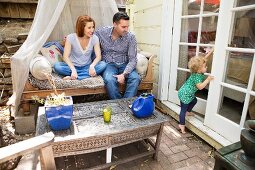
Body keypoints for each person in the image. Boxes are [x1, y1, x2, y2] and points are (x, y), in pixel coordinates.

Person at [95, 12, 140, 99]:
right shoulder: (102, 32)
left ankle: (125, 104)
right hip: (109, 64)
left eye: (127, 26)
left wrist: (124, 74)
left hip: (125, 64)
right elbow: (88, 36)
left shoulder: (131, 37)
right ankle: (118, 103)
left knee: (135, 78)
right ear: (115, 24)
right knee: (109, 79)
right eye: (123, 27)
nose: (126, 29)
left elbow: (133, 59)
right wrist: (69, 39)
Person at [54, 15, 107, 80]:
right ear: (82, 28)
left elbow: (98, 56)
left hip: (87, 67)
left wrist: (92, 66)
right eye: (89, 28)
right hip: (72, 66)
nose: (92, 30)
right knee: (57, 66)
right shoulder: (70, 38)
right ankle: (83, 75)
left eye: (93, 27)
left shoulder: (95, 38)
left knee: (103, 64)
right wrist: (73, 69)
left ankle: (74, 77)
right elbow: (65, 57)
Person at [178, 56, 214, 134]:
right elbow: (200, 87)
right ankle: (181, 125)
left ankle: (188, 111)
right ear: (199, 69)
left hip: (186, 92)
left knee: (194, 100)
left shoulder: (196, 71)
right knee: (182, 110)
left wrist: (211, 51)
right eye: (205, 66)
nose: (206, 67)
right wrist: (208, 79)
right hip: (185, 94)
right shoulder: (197, 77)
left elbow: (203, 58)